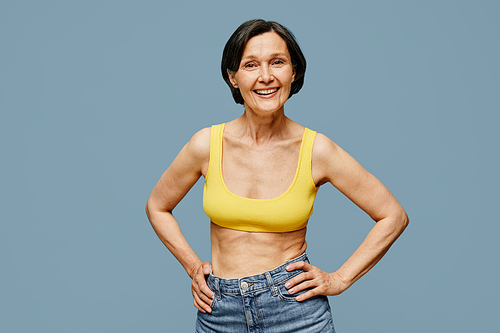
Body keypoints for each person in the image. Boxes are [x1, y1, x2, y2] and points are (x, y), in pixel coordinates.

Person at [146, 19, 408, 333]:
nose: (266, 76)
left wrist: (339, 278)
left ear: (293, 72)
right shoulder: (206, 145)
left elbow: (393, 215)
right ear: (233, 77)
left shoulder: (316, 150)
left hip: (295, 311)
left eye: (278, 62)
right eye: (250, 65)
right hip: (219, 311)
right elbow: (157, 206)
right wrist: (192, 266)